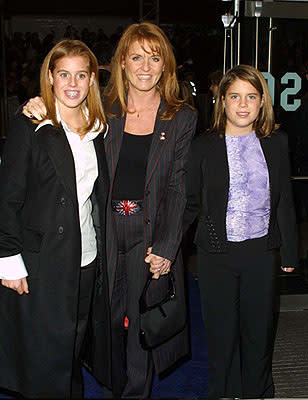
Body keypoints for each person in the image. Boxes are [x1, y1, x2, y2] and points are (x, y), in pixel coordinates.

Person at [22, 21, 197, 399]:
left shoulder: (181, 117)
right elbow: (62, 106)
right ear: (121, 64)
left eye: (154, 58)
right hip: (104, 228)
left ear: (166, 65)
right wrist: (37, 103)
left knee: (139, 328)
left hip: (150, 235)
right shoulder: (101, 110)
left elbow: (179, 186)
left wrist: (168, 246)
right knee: (107, 322)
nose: (145, 67)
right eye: (136, 57)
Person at [0, 39, 111, 398]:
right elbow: (8, 196)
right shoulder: (32, 123)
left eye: (81, 74)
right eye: (64, 74)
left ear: (93, 79)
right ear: (50, 76)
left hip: (85, 255)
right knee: (45, 354)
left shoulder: (98, 126)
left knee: (72, 346)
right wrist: (8, 258)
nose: (73, 83)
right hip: (42, 259)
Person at [184, 64, 298, 399]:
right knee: (221, 335)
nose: (243, 104)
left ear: (263, 102)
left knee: (258, 332)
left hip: (260, 252)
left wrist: (289, 251)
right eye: (235, 96)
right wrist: (166, 244)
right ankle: (222, 392)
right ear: (221, 101)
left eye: (251, 96)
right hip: (215, 253)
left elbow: (285, 201)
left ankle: (257, 392)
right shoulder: (203, 146)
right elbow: (190, 201)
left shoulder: (277, 144)